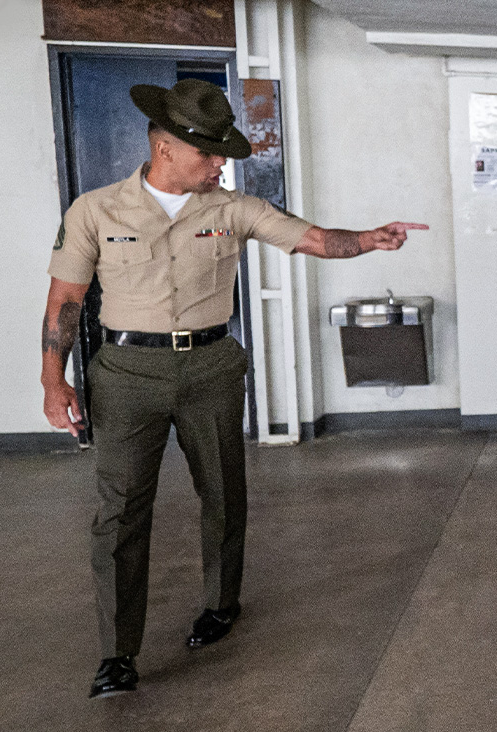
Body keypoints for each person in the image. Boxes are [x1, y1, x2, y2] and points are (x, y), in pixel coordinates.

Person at [41, 80, 429, 698]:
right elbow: (66, 301)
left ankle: (221, 604)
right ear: (165, 147)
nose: (221, 164)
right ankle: (117, 653)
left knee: (223, 493)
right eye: (209, 153)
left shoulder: (231, 209)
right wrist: (52, 378)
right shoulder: (94, 210)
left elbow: (316, 240)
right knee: (119, 514)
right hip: (126, 374)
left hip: (211, 367)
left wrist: (370, 239)